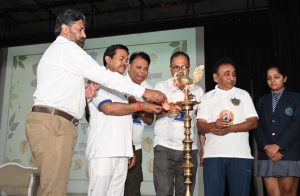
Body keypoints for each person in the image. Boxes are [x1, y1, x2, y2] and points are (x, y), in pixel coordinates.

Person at [25, 9, 166, 196]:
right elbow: (103, 78)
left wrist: (83, 95)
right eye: (80, 29)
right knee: (54, 190)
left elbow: (59, 90)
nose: (84, 34)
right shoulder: (67, 48)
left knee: (54, 186)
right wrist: (144, 93)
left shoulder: (61, 52)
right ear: (65, 28)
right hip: (54, 123)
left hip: (56, 122)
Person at [86, 45, 163, 196]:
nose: (124, 63)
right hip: (103, 153)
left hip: (122, 153)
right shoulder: (96, 81)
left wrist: (129, 149)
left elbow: (125, 122)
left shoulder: (123, 89)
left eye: (126, 60)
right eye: (121, 59)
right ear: (108, 59)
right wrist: (141, 105)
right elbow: (109, 108)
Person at [196, 57, 258, 196]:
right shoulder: (207, 97)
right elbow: (200, 126)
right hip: (213, 155)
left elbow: (253, 122)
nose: (231, 78)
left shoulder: (243, 94)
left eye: (234, 74)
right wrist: (214, 125)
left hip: (241, 155)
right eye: (227, 74)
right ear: (215, 77)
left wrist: (229, 129)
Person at [153, 51, 203, 196]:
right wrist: (166, 110)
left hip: (189, 148)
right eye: (176, 67)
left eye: (184, 67)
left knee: (185, 192)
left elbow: (200, 121)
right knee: (164, 192)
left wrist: (203, 147)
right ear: (170, 69)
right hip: (164, 147)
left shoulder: (197, 90)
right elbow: (152, 111)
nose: (180, 71)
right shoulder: (161, 86)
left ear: (189, 68)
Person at [255, 66, 300, 196]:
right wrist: (267, 147)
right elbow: (257, 126)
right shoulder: (261, 101)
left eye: (277, 77)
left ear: (284, 78)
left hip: (289, 153)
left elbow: (297, 125)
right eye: (269, 78)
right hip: (267, 154)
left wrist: (278, 145)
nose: (272, 81)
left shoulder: (296, 98)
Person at [124, 51, 154, 196]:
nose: (142, 72)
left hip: (136, 147)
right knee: (113, 189)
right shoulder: (118, 83)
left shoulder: (148, 89)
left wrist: (138, 107)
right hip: (117, 145)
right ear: (129, 66)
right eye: (138, 67)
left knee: (133, 190)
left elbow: (149, 120)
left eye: (145, 69)